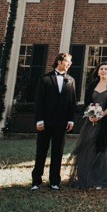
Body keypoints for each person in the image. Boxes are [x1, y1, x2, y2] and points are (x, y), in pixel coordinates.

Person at [69, 62, 107, 189]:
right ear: (98, 72)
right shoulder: (92, 85)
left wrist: (101, 115)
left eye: (106, 69)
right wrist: (91, 115)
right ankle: (85, 177)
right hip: (91, 120)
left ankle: (100, 179)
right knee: (86, 145)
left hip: (106, 120)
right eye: (101, 69)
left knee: (102, 148)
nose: (103, 71)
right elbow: (88, 101)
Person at [31, 52, 77, 191]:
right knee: (41, 151)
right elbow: (38, 101)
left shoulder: (71, 80)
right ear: (59, 61)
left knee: (58, 152)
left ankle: (55, 181)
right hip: (45, 122)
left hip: (62, 123)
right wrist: (39, 120)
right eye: (67, 61)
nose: (69, 64)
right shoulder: (45, 79)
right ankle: (36, 181)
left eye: (70, 62)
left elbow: (72, 103)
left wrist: (71, 120)